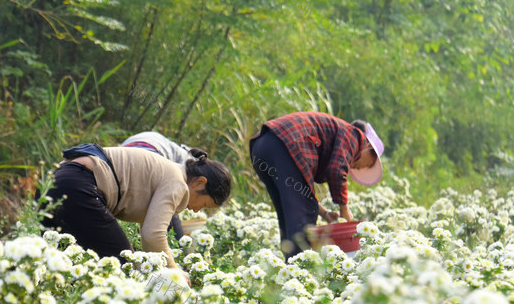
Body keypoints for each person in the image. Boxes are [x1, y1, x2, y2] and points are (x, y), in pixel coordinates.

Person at [41, 144, 232, 268]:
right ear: (200, 183)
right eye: (204, 205)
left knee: (59, 264)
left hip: (54, 182)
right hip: (78, 185)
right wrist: (175, 272)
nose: (197, 211)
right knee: (125, 264)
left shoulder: (168, 171)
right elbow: (153, 235)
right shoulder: (177, 183)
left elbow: (149, 236)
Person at [248, 111, 384, 259]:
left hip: (263, 146)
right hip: (287, 141)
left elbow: (301, 192)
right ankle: (299, 271)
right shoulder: (356, 136)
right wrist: (345, 210)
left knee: (289, 214)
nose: (357, 168)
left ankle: (290, 268)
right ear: (369, 148)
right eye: (369, 164)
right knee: (302, 221)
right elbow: (337, 170)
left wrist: (325, 213)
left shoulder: (340, 134)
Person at [121, 131, 203, 239]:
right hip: (147, 157)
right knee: (167, 220)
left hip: (124, 154)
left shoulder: (177, 151)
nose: (198, 210)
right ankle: (177, 251)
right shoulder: (189, 166)